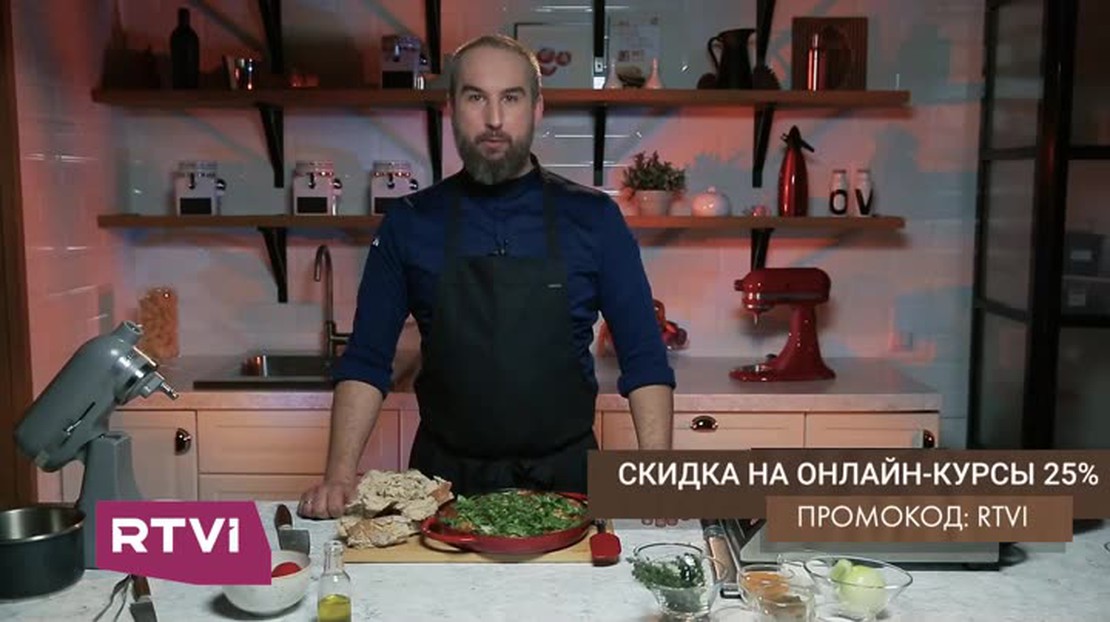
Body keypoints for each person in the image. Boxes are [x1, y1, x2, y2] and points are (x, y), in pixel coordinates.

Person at [298, 33, 675, 520]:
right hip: (441, 492)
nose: (494, 118)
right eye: (476, 97)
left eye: (511, 98)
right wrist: (338, 476)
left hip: (569, 486)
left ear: (537, 109)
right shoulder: (409, 222)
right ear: (452, 109)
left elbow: (644, 357)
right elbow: (367, 360)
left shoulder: (595, 218)